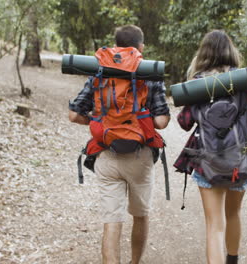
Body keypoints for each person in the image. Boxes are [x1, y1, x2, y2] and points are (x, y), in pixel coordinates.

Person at [68, 25, 170, 264]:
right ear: (140, 47)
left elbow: (74, 115)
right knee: (140, 216)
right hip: (140, 157)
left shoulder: (99, 71)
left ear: (115, 46)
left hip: (107, 155)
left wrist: (100, 122)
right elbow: (161, 121)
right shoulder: (149, 73)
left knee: (111, 220)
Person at [174, 30, 247, 264]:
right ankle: (232, 260)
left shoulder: (197, 85)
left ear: (203, 54)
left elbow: (184, 122)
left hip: (208, 162)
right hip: (241, 160)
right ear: (231, 52)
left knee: (214, 226)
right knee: (234, 214)